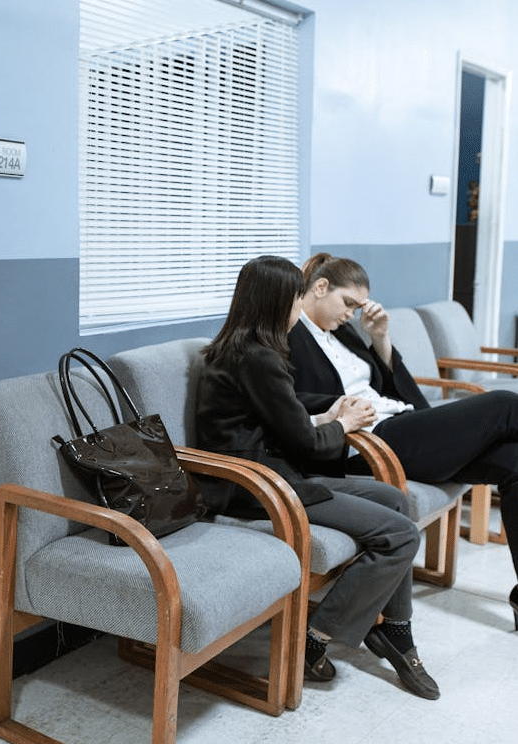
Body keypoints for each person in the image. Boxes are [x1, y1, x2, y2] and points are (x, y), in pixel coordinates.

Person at [196, 255, 439, 700]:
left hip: (271, 474)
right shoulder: (259, 358)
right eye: (293, 298)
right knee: (401, 535)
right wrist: (342, 426)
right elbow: (306, 443)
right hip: (260, 486)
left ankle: (396, 630)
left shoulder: (242, 349)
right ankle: (315, 638)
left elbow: (278, 415)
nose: (297, 307)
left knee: (394, 499)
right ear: (276, 302)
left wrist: (328, 413)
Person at [290, 252, 518, 628]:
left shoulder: (344, 332)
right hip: (369, 441)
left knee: (514, 461)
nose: (351, 314)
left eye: (358, 307)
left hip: (401, 425)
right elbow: (292, 405)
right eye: (347, 303)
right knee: (505, 405)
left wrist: (380, 337)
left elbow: (391, 386)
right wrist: (342, 413)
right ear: (320, 287)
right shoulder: (290, 333)